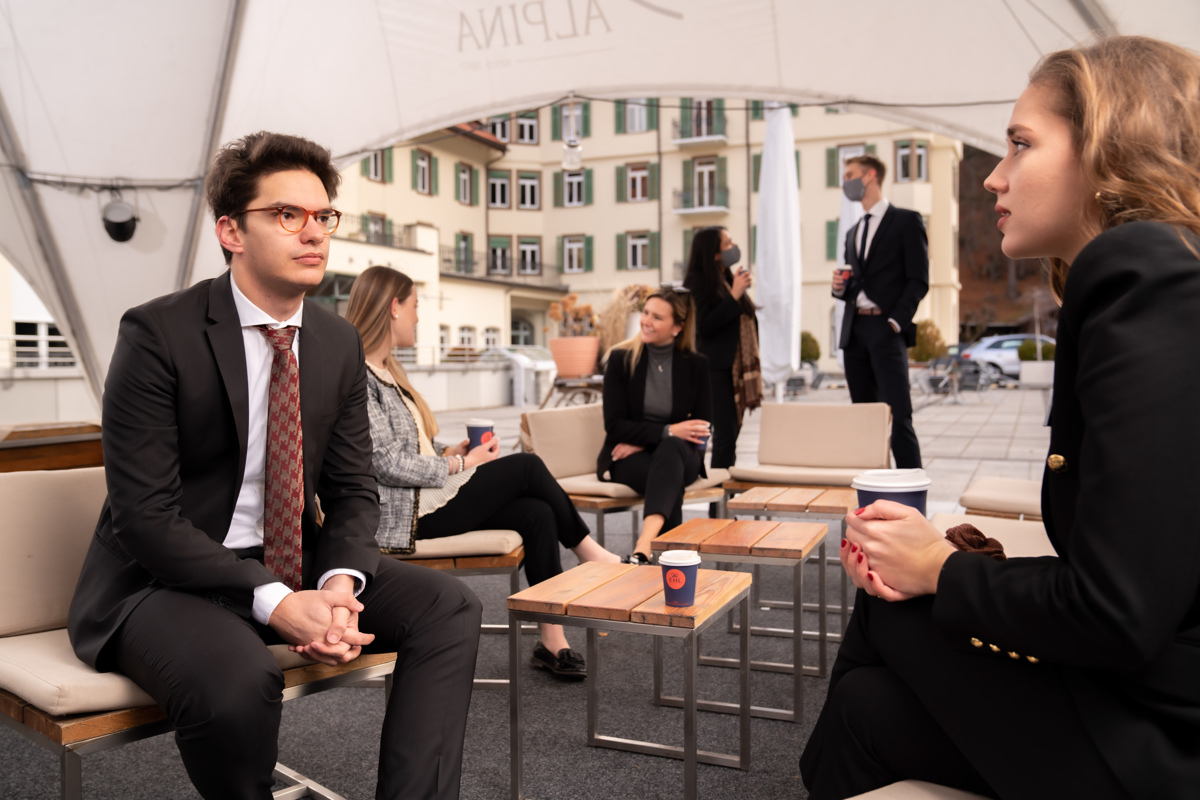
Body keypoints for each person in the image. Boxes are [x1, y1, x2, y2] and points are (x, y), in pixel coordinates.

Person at [801, 36, 1200, 800]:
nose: (993, 175)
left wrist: (938, 568)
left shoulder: (1150, 281)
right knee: (863, 706)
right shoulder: (1164, 277)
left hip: (1163, 741)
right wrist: (957, 565)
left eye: (1021, 144)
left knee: (888, 605)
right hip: (1149, 698)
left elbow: (1117, 612)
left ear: (1112, 148)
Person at [67, 132, 482, 800]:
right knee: (238, 681)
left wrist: (340, 583)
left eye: (323, 216)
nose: (313, 232)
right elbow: (145, 518)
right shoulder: (157, 334)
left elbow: (353, 489)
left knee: (449, 605)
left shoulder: (336, 341)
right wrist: (278, 602)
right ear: (231, 231)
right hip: (162, 582)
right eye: (287, 214)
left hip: (293, 560)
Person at [345, 265, 621, 679]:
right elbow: (383, 462)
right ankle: (591, 555)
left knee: (537, 513)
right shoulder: (358, 378)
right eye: (416, 306)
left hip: (428, 496)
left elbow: (412, 447)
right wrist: (461, 463)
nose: (419, 316)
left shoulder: (389, 372)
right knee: (527, 466)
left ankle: (552, 640)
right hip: (407, 515)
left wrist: (450, 451)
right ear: (394, 308)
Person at [598, 286, 712, 564]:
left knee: (671, 452)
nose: (646, 321)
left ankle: (644, 547)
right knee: (669, 476)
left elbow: (701, 428)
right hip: (627, 459)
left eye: (657, 317)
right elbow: (614, 425)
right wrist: (667, 431)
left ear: (677, 327)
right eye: (646, 312)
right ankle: (673, 564)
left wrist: (648, 440)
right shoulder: (620, 359)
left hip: (678, 454)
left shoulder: (696, 365)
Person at [832, 154, 928, 469]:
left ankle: (913, 492)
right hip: (854, 333)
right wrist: (839, 288)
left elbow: (918, 280)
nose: (845, 182)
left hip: (886, 330)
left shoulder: (906, 221)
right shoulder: (851, 232)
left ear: (870, 175)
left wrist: (895, 323)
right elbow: (855, 285)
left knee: (899, 417)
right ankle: (872, 488)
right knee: (864, 419)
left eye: (849, 175)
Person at [682, 226, 761, 470]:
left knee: (730, 432)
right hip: (712, 368)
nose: (733, 247)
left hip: (731, 367)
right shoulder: (697, 282)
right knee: (720, 432)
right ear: (713, 252)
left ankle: (723, 489)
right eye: (727, 243)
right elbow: (702, 326)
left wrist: (737, 293)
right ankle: (716, 490)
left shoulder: (725, 277)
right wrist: (734, 296)